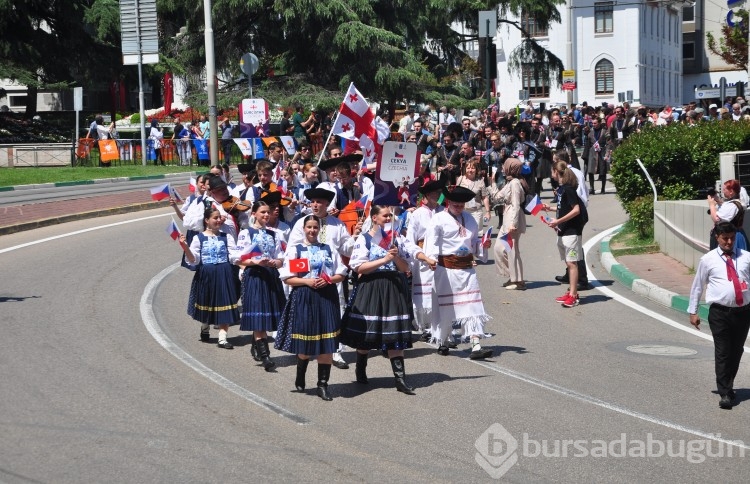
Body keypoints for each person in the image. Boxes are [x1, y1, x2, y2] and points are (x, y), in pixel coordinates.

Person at [340, 205, 418, 395]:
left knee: (395, 334)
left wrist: (396, 256)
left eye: (390, 215)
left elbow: (404, 267)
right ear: (374, 218)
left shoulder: (394, 238)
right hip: (371, 287)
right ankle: (361, 368)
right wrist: (384, 260)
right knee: (367, 334)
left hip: (393, 288)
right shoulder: (365, 239)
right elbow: (358, 267)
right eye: (385, 215)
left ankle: (400, 379)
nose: (388, 218)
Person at [276, 215, 348, 401]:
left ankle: (322, 385)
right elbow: (288, 278)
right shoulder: (296, 250)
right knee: (306, 345)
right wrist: (308, 281)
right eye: (309, 227)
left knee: (327, 345)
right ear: (303, 228)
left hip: (327, 297)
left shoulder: (329, 248)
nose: (312, 230)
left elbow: (341, 273)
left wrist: (328, 280)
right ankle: (301, 372)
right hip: (305, 297)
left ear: (320, 230)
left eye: (315, 227)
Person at [423, 186, 493, 359]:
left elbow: (474, 242)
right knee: (447, 308)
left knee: (473, 306)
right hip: (446, 269)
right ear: (448, 202)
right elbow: (431, 241)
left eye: (461, 202)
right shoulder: (438, 219)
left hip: (467, 270)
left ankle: (476, 345)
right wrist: (430, 259)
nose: (459, 205)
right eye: (455, 202)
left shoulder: (470, 219)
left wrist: (483, 246)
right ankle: (444, 341)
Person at [688, 222, 750, 409]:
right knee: (723, 351)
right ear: (717, 238)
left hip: (743, 312)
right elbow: (698, 285)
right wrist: (693, 310)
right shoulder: (708, 260)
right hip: (719, 313)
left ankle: (728, 385)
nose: (729, 242)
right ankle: (724, 392)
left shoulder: (746, 257)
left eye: (732, 238)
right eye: (725, 238)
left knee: (736, 351)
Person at [231, 201, 286, 371]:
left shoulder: (274, 234)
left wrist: (274, 262)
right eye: (262, 212)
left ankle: (256, 344)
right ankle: (266, 356)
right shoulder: (246, 233)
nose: (266, 215)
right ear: (253, 213)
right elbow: (238, 258)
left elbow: (281, 257)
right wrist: (255, 262)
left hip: (270, 275)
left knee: (267, 315)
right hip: (254, 276)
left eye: (268, 212)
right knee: (258, 317)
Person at [179, 204, 240, 349]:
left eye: (220, 217)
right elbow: (193, 260)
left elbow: (234, 257)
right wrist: (185, 247)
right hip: (207, 274)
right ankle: (205, 327)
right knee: (207, 303)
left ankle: (222, 338)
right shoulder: (198, 238)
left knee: (225, 303)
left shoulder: (227, 237)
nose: (219, 220)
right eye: (215, 218)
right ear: (207, 220)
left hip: (224, 273)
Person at [542, 161, 586, 308]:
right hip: (564, 231)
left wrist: (558, 221)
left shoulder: (568, 189)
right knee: (568, 262)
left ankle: (573, 295)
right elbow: (564, 207)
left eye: (552, 171)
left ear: (556, 171)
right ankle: (571, 292)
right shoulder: (561, 190)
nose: (551, 174)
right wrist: (551, 208)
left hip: (572, 232)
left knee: (572, 263)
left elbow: (576, 210)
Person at [405, 179, 445, 341]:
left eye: (438, 193)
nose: (436, 196)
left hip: (442, 256)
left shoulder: (444, 212)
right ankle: (425, 325)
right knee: (425, 293)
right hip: (423, 256)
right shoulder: (417, 214)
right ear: (426, 195)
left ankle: (440, 323)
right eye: (433, 193)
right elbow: (409, 240)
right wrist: (418, 256)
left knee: (441, 290)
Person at [494, 158, 528, 290]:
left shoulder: (515, 183)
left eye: (505, 165)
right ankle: (513, 276)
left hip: (512, 219)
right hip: (507, 217)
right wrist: (492, 181)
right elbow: (497, 196)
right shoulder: (510, 181)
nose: (503, 167)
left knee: (511, 250)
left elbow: (516, 204)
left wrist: (513, 223)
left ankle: (518, 281)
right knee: (499, 248)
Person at [455, 159, 491, 237]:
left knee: (477, 235)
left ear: (476, 169)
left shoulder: (480, 181)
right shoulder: (460, 179)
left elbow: (484, 197)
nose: (470, 170)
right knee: (463, 234)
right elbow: (455, 195)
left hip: (476, 212)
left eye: (472, 168)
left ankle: (477, 249)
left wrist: (488, 212)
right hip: (462, 211)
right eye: (468, 168)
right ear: (465, 169)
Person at [708, 179, 747, 251]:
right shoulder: (736, 202)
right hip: (734, 234)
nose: (723, 191)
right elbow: (726, 207)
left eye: (724, 189)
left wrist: (711, 205)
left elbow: (717, 219)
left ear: (731, 191)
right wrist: (717, 200)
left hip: (730, 237)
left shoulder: (732, 205)